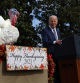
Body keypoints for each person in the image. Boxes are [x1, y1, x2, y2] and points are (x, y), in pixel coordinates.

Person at [41, 15, 62, 83]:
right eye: (51, 21)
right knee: (52, 72)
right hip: (50, 54)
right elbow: (45, 42)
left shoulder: (58, 30)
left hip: (59, 54)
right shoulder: (45, 30)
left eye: (54, 21)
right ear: (49, 22)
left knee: (59, 71)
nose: (53, 22)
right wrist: (55, 42)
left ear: (57, 22)